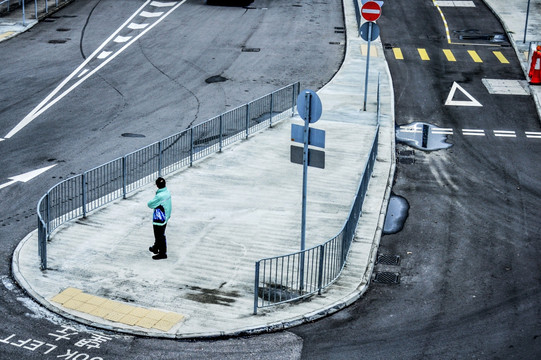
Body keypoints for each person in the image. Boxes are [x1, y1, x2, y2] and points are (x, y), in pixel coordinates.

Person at [147, 177, 172, 260]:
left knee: (159, 235)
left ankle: (162, 253)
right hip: (166, 216)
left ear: (157, 185)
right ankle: (155, 247)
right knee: (160, 234)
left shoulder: (160, 196)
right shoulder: (167, 192)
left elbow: (150, 204)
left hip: (159, 219)